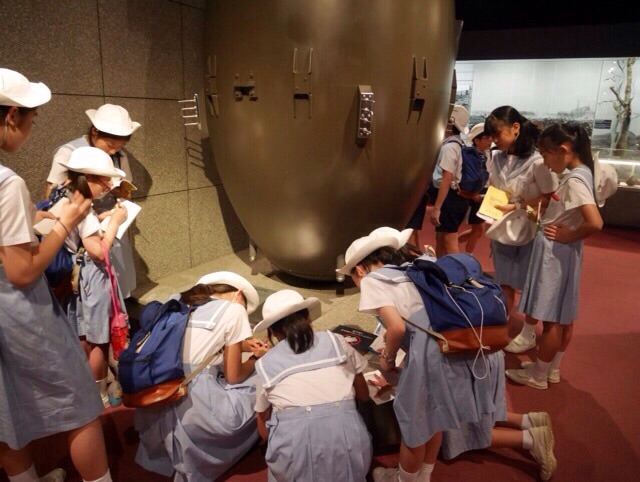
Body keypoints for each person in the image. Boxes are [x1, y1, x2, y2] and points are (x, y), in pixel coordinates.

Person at [339, 229, 557, 481]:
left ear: (359, 270)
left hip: (433, 354)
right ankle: (424, 476)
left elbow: (397, 328)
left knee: (415, 426)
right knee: (436, 419)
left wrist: (387, 360)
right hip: (466, 344)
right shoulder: (416, 265)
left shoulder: (372, 279)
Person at [0, 68, 112, 482]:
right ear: (11, 115)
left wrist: (36, 218)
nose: (31, 127)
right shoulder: (7, 183)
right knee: (79, 402)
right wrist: (67, 222)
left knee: (4, 406)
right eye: (31, 118)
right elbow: (21, 270)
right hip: (16, 310)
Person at [135, 271, 266, 482]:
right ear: (238, 294)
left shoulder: (177, 300)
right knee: (258, 381)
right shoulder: (234, 310)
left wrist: (241, 345)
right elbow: (233, 377)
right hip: (195, 404)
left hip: (155, 395)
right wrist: (254, 358)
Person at [505, 123, 603, 390]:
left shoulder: (575, 179)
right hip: (562, 251)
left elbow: (595, 222)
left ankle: (538, 375)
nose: (546, 163)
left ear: (563, 149)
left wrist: (568, 235)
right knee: (558, 316)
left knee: (551, 320)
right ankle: (547, 369)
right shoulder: (583, 173)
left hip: (555, 252)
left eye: (547, 155)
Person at [253, 289, 373, 482]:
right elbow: (363, 392)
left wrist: (270, 441)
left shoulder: (264, 364)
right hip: (347, 440)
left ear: (273, 332)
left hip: (294, 451)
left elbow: (261, 417)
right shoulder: (336, 341)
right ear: (308, 318)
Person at [52, 146, 128, 407]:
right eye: (105, 181)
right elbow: (98, 251)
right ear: (90, 178)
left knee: (82, 334)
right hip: (90, 278)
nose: (107, 187)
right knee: (98, 339)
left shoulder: (62, 194)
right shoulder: (83, 208)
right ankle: (99, 397)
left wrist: (102, 218)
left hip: (73, 277)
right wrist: (115, 221)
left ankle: (84, 389)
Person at [45, 103, 141, 299]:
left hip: (106, 222)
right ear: (95, 132)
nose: (113, 152)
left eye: (119, 147)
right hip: (79, 230)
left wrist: (118, 192)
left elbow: (125, 189)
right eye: (110, 145)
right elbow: (51, 192)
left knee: (113, 279)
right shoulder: (68, 152)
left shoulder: (119, 155)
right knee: (88, 286)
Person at [483, 106, 558, 321]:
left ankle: (528, 329)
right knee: (503, 279)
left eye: (497, 134)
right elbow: (496, 188)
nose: (494, 140)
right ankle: (503, 322)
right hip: (501, 227)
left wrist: (518, 206)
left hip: (529, 228)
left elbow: (550, 198)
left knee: (530, 282)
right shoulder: (497, 158)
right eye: (491, 135)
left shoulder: (537, 161)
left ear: (515, 127)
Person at [427, 104, 471, 257]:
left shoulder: (449, 147)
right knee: (441, 238)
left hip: (449, 198)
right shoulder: (459, 144)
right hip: (455, 197)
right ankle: (442, 268)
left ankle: (456, 270)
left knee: (449, 240)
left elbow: (447, 177)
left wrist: (437, 207)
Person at [457, 122, 493, 254]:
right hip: (474, 194)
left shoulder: (487, 154)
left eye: (491, 137)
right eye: (486, 138)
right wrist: (472, 195)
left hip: (483, 193)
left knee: (477, 230)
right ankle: (467, 256)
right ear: (476, 140)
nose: (490, 141)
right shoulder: (471, 155)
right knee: (478, 230)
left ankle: (452, 244)